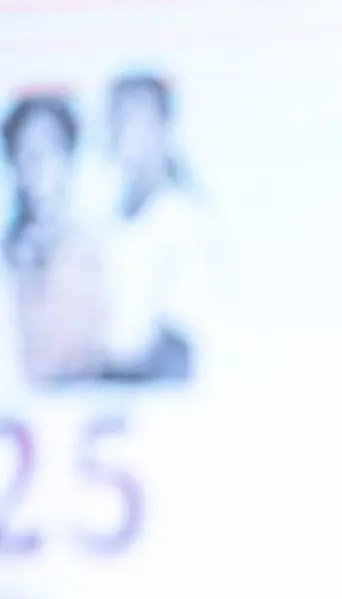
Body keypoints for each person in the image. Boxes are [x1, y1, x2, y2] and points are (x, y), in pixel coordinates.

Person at [96, 73, 213, 383]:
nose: (123, 130)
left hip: (152, 397)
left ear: (164, 127)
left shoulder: (182, 216)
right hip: (108, 388)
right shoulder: (110, 218)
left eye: (135, 117)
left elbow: (181, 340)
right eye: (116, 117)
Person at [1, 94, 108, 384]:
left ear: (69, 157)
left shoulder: (98, 248)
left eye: (48, 148)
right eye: (24, 149)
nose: (36, 161)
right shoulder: (8, 252)